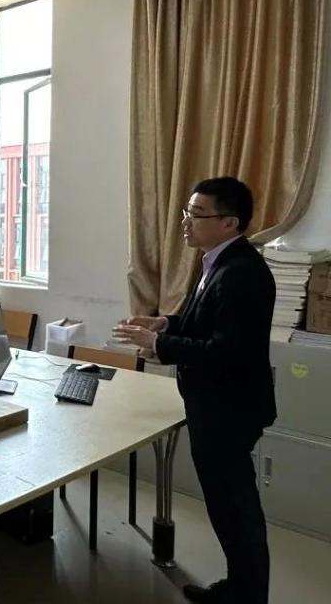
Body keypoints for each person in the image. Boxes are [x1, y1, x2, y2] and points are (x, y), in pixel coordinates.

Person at [114, 177, 275, 604]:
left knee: (236, 509)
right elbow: (203, 324)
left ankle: (247, 594)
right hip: (214, 405)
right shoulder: (217, 261)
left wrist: (158, 344)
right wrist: (164, 324)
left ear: (229, 222)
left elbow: (226, 351)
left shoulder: (242, 273)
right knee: (228, 506)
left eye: (197, 214)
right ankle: (240, 587)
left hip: (228, 409)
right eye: (187, 211)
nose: (185, 221)